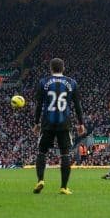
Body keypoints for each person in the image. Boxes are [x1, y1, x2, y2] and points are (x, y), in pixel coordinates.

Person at [32, 58, 85, 195]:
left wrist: (36, 123)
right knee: (65, 154)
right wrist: (81, 123)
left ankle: (41, 180)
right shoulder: (71, 82)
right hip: (64, 123)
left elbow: (39, 105)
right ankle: (63, 187)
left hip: (47, 123)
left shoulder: (43, 82)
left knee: (42, 151)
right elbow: (77, 105)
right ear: (63, 68)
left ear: (51, 68)